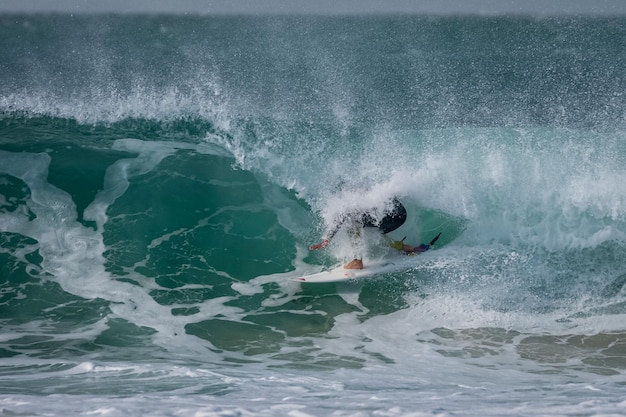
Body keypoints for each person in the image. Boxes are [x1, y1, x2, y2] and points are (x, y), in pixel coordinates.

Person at [309, 198, 432, 269]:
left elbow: (341, 215)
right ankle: (406, 248)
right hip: (399, 214)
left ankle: (357, 261)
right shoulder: (363, 191)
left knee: (353, 221)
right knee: (370, 229)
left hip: (392, 216)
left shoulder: (348, 200)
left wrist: (327, 239)